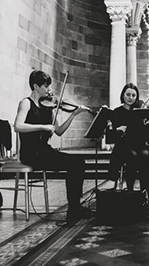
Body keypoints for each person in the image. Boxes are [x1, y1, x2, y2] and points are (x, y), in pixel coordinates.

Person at [14, 70, 92, 223]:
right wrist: (42, 127)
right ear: (36, 86)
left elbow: (59, 131)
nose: (49, 90)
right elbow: (17, 126)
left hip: (44, 151)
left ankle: (75, 207)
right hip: (31, 154)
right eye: (46, 86)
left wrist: (74, 115)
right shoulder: (26, 103)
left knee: (78, 162)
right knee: (74, 164)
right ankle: (75, 210)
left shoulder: (48, 107)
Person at [106, 83, 149, 204]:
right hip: (122, 146)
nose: (131, 97)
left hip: (138, 145)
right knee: (132, 155)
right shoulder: (116, 112)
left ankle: (147, 192)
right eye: (128, 94)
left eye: (134, 95)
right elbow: (110, 135)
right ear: (123, 95)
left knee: (145, 154)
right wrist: (117, 130)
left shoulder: (139, 112)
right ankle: (130, 192)